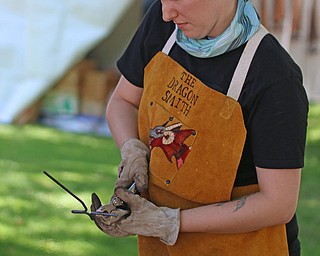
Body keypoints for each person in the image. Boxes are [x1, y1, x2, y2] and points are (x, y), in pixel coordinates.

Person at [91, 0, 308, 255]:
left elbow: (278, 203)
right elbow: (123, 101)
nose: (167, 12)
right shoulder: (162, 26)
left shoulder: (274, 77)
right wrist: (132, 149)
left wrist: (170, 222)